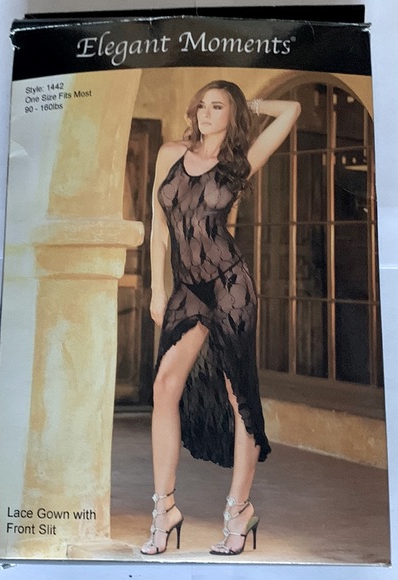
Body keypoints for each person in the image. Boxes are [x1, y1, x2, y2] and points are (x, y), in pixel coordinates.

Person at [140, 80, 301, 556]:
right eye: (202, 106)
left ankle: (239, 510)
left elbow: (291, 109)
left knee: (238, 395)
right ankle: (164, 510)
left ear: (231, 116)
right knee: (164, 386)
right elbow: (159, 227)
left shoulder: (238, 164)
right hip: (187, 289)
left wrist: (250, 102)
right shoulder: (170, 154)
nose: (206, 113)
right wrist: (158, 288)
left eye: (218, 107)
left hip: (230, 286)